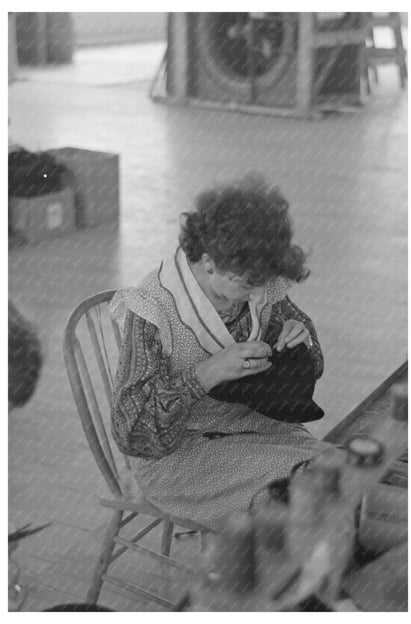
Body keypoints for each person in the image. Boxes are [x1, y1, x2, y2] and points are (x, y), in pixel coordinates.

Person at [110, 175, 330, 530]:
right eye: (247, 285)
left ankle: (303, 572)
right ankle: (284, 578)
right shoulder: (154, 308)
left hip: (253, 429)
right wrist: (207, 373)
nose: (259, 296)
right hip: (178, 456)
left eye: (263, 285)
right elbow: (134, 432)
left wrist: (297, 339)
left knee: (338, 475)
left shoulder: (254, 277)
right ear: (210, 261)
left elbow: (312, 361)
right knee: (306, 495)